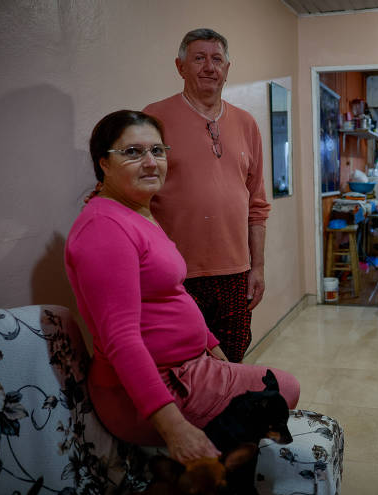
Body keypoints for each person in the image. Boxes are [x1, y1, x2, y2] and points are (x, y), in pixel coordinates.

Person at [65, 110, 299, 464]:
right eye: (132, 152)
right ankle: (209, 477)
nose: (150, 162)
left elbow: (170, 292)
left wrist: (211, 345)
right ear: (104, 164)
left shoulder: (137, 211)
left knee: (274, 388)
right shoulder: (104, 229)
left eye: (157, 151)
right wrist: (174, 429)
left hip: (185, 368)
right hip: (149, 389)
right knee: (284, 389)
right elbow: (121, 340)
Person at [144, 28, 268, 363]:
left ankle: (225, 417)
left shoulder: (246, 123)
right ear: (180, 66)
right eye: (199, 58)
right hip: (176, 274)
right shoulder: (154, 118)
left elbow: (257, 205)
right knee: (182, 363)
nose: (209, 67)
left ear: (228, 68)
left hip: (235, 272)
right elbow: (138, 195)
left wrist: (257, 267)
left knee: (232, 358)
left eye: (217, 59)